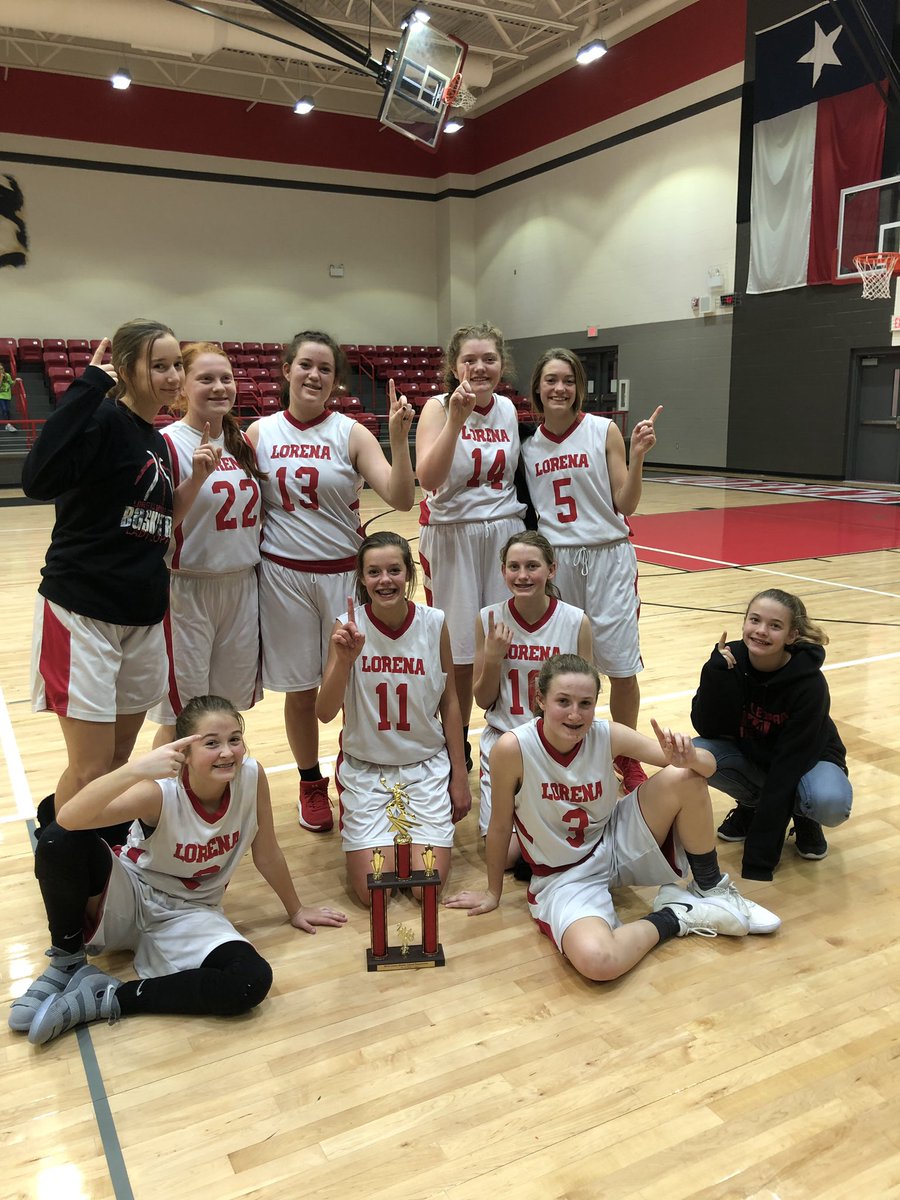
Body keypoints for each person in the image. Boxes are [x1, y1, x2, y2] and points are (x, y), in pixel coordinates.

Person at [9, 694, 347, 1044]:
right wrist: (136, 768)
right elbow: (70, 819)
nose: (227, 751)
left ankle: (106, 997)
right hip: (133, 893)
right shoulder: (158, 793)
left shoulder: (251, 776)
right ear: (183, 752)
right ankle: (68, 961)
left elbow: (268, 852)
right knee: (55, 836)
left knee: (250, 980)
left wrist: (296, 908)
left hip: (192, 913)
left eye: (234, 739)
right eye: (211, 743)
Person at [444, 654, 780, 983]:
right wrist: (492, 893)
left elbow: (705, 767)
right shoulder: (512, 748)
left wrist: (691, 754)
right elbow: (500, 825)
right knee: (598, 961)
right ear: (541, 700)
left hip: (613, 840)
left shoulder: (607, 734)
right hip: (564, 876)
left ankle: (711, 889)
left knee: (685, 776)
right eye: (564, 701)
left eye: (585, 703)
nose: (575, 714)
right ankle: (679, 914)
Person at [22, 321, 221, 839]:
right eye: (160, 365)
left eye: (178, 364)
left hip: (141, 616)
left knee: (114, 764)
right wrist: (87, 384)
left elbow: (157, 521)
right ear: (126, 369)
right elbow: (36, 478)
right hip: (83, 612)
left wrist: (196, 481)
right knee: (89, 771)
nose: (174, 375)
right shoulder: (102, 421)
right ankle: (66, 868)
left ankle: (97, 861)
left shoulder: (153, 438)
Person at [247, 331, 415, 834]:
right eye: (305, 365)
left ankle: (359, 771)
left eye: (324, 368)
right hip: (283, 576)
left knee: (353, 687)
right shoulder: (260, 434)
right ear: (287, 370)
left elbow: (402, 497)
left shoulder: (353, 432)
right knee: (300, 690)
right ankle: (309, 781)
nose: (314, 375)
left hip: (344, 574)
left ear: (335, 380)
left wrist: (400, 441)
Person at [520, 348, 660, 795]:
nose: (559, 388)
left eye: (568, 380)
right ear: (537, 389)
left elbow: (627, 503)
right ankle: (562, 748)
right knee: (562, 665)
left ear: (579, 388)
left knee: (619, 665)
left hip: (607, 556)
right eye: (551, 380)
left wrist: (637, 456)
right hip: (559, 561)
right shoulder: (527, 447)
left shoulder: (603, 430)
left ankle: (627, 756)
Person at [316, 531, 471, 904]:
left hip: (425, 765)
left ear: (409, 574)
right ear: (362, 578)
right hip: (366, 768)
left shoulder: (434, 623)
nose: (385, 580)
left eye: (394, 570)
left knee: (424, 888)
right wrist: (345, 663)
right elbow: (323, 713)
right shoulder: (346, 628)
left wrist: (460, 776)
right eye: (374, 572)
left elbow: (450, 703)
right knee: (375, 895)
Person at [415, 322, 526, 767]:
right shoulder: (437, 408)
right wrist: (457, 422)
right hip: (453, 536)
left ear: (501, 365)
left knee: (506, 642)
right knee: (460, 656)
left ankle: (512, 737)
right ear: (453, 365)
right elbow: (428, 478)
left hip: (503, 535)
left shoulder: (509, 411)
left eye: (489, 359)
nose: (480, 368)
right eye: (470, 360)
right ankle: (455, 746)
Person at [691, 588, 852, 881]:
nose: (761, 631)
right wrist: (715, 676)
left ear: (792, 636)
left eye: (775, 626)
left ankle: (805, 816)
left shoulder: (810, 685)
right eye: (755, 620)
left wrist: (759, 862)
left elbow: (788, 766)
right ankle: (751, 806)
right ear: (744, 623)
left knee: (829, 801)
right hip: (755, 753)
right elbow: (708, 728)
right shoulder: (731, 660)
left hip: (807, 762)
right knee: (697, 753)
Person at [150, 343, 265, 745]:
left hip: (241, 587)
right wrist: (196, 478)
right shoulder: (166, 443)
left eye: (226, 378)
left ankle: (221, 794)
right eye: (206, 379)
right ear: (183, 387)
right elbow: (158, 526)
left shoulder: (242, 444)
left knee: (227, 708)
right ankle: (165, 802)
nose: (219, 387)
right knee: (182, 716)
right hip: (187, 589)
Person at [473, 531, 592, 865]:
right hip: (504, 741)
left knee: (563, 840)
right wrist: (494, 657)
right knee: (508, 856)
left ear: (551, 570)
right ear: (503, 571)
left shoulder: (575, 620)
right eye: (513, 566)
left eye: (532, 566)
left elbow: (586, 700)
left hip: (558, 743)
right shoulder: (488, 618)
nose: (522, 575)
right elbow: (483, 700)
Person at [0, 359, 19, 429]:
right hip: (0, 396)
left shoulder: (7, 375)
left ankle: (8, 423)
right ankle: (7, 424)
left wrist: (16, 380)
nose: (1, 370)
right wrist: (1, 378)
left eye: (2, 369)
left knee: (7, 410)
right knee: (4, 409)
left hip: (7, 396)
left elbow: (11, 383)